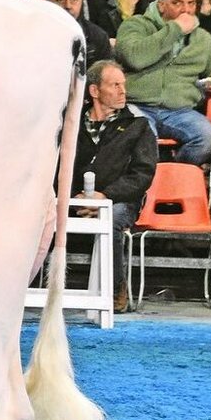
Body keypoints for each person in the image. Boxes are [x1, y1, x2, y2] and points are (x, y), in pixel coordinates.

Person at [117, 0, 211, 164]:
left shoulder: (202, 38)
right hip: (137, 105)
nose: (185, 10)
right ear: (162, 5)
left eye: (190, 3)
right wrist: (176, 28)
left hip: (180, 111)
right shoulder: (136, 25)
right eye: (177, 3)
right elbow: (134, 58)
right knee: (144, 138)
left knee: (208, 137)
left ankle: (173, 175)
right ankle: (146, 181)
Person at [71, 59, 157, 313]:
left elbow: (143, 174)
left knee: (112, 218)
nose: (123, 91)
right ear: (94, 91)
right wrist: (76, 198)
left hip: (119, 201)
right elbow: (54, 165)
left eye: (124, 85)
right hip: (73, 199)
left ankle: (114, 288)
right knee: (39, 213)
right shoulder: (71, 122)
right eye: (115, 85)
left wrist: (104, 196)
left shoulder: (138, 126)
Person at [48, 0, 114, 63]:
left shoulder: (98, 37)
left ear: (81, 1)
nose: (68, 6)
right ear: (49, 1)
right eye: (61, 0)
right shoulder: (37, 34)